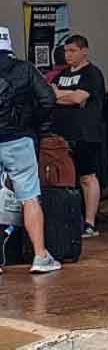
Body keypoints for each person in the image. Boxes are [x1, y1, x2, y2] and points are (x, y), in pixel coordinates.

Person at [0, 26, 62, 273]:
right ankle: (40, 256)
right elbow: (48, 98)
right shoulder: (24, 69)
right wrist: (36, 125)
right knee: (29, 197)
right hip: (19, 140)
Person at [51, 34, 106, 238]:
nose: (68, 55)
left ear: (84, 51)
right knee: (65, 178)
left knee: (87, 177)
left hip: (85, 133)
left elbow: (78, 98)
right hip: (62, 133)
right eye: (66, 51)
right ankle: (70, 218)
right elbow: (52, 93)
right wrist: (64, 95)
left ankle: (90, 222)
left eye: (72, 51)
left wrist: (61, 95)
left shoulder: (92, 73)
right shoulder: (62, 74)